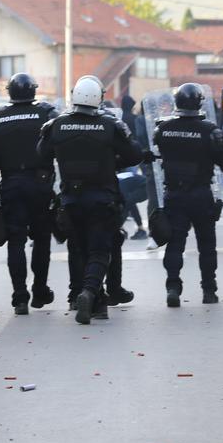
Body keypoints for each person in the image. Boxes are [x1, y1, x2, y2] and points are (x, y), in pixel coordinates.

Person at [38, 75, 145, 325]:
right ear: (99, 98)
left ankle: (94, 302)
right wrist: (111, 161)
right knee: (100, 251)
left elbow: (41, 155)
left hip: (71, 200)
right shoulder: (110, 125)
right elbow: (134, 155)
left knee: (79, 249)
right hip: (101, 199)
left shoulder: (56, 125)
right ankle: (89, 293)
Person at [153, 83, 223, 307]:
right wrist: (219, 144)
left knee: (175, 244)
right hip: (200, 195)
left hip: (174, 195)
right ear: (199, 102)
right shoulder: (209, 130)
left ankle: (173, 287)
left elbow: (157, 151)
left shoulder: (163, 129)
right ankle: (209, 290)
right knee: (206, 245)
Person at [0, 73, 60, 314]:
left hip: (11, 185)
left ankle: (19, 296)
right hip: (40, 184)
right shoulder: (47, 114)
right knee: (41, 239)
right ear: (33, 91)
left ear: (9, 92)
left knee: (15, 241)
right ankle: (39, 289)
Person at [119, 95, 148, 240]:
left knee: (126, 195)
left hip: (121, 158)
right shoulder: (134, 118)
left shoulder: (119, 118)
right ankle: (136, 226)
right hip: (133, 155)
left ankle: (122, 225)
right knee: (128, 194)